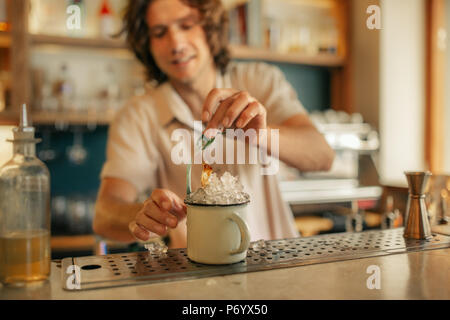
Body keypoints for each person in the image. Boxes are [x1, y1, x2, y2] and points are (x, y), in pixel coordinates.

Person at [93, 0, 334, 249]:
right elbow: (104, 215)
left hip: (276, 264)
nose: (176, 44)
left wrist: (262, 135)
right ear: (147, 43)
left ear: (210, 27)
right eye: (159, 32)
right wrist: (144, 214)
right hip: (193, 276)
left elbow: (322, 156)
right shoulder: (137, 115)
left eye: (187, 25)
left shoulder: (260, 80)